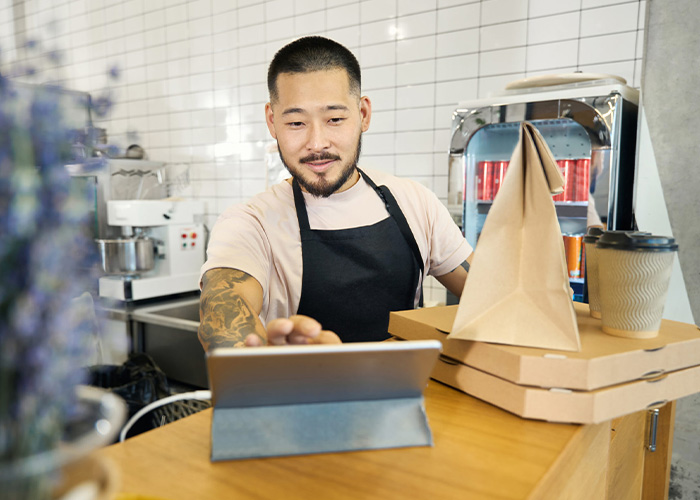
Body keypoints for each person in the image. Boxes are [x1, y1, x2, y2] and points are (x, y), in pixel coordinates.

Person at [198, 36, 472, 350]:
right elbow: (223, 320)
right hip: (301, 394)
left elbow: (492, 299)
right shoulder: (250, 223)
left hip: (409, 394)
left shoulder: (415, 202)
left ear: (364, 114)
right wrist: (260, 364)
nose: (317, 143)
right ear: (273, 122)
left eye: (335, 120)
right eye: (297, 122)